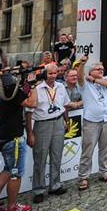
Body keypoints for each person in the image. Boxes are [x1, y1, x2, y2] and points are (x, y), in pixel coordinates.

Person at [0, 70, 34, 211]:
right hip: (14, 138)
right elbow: (32, 103)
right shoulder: (14, 92)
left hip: (3, 136)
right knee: (15, 173)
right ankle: (12, 206)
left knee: (7, 169)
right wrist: (33, 86)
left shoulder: (4, 93)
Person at [26, 63, 70, 203]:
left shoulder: (61, 86)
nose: (53, 76)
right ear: (45, 74)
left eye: (55, 73)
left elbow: (65, 105)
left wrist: (67, 121)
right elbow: (28, 112)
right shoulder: (37, 89)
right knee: (40, 158)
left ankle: (55, 185)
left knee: (56, 155)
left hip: (58, 122)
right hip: (42, 125)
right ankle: (39, 189)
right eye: (50, 73)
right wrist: (30, 133)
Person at [76, 57, 107, 190]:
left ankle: (105, 171)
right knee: (88, 149)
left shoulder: (105, 80)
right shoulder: (84, 83)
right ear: (91, 71)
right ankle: (83, 177)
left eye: (102, 69)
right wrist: (82, 64)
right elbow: (80, 76)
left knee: (105, 148)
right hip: (91, 121)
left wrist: (96, 79)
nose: (101, 71)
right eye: (98, 69)